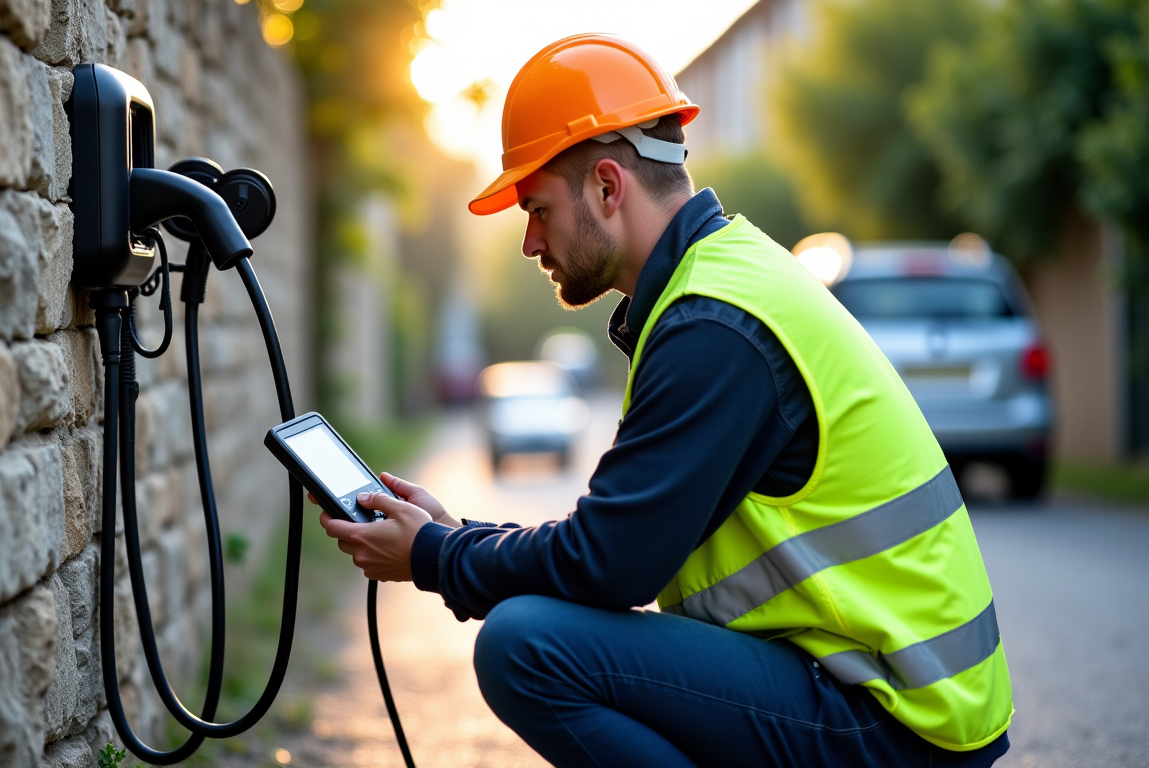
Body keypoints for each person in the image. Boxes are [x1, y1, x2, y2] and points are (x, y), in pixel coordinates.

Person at [317, 33, 1013, 767]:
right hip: (885, 692)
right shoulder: (723, 282)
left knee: (527, 647)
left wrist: (436, 555)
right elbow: (623, 538)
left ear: (608, 187)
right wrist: (459, 533)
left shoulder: (716, 325)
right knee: (537, 632)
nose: (529, 242)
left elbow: (610, 565)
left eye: (538, 208)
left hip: (892, 720)